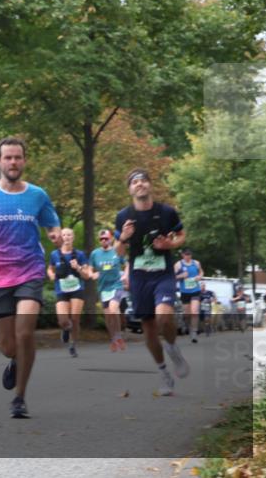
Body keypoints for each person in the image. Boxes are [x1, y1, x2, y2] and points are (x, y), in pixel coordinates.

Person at [0, 137, 62, 419]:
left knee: (25, 332)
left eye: (18, 157)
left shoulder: (38, 195)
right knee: (7, 346)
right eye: (8, 158)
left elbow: (53, 223)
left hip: (29, 271)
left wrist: (54, 233)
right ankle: (14, 360)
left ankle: (20, 397)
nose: (13, 162)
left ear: (24, 161)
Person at [114, 168, 189, 397]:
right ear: (130, 189)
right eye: (135, 182)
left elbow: (181, 235)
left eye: (144, 180)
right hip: (139, 277)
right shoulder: (123, 216)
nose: (140, 184)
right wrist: (124, 238)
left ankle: (173, 349)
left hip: (162, 274)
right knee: (148, 332)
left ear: (150, 185)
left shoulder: (166, 212)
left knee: (164, 316)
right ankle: (164, 372)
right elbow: (118, 252)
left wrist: (171, 245)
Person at [47, 228, 89, 358]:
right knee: (63, 320)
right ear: (61, 237)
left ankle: (73, 345)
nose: (66, 237)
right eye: (64, 235)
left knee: (75, 318)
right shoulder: (54, 254)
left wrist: (78, 267)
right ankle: (65, 329)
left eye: (69, 235)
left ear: (73, 237)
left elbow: (86, 275)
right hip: (61, 290)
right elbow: (50, 269)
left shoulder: (80, 255)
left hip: (77, 289)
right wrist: (51, 275)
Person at [89, 229, 128, 351]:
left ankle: (118, 335)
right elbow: (90, 268)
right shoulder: (95, 254)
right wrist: (92, 274)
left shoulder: (117, 251)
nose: (104, 240)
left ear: (111, 239)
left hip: (116, 285)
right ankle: (113, 339)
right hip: (103, 288)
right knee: (108, 317)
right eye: (101, 239)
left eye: (106, 238)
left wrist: (126, 275)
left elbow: (127, 264)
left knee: (113, 310)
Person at [174, 248, 204, 342]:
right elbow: (172, 277)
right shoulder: (178, 264)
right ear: (182, 255)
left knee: (194, 311)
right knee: (187, 314)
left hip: (195, 290)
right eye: (186, 255)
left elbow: (201, 272)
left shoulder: (196, 263)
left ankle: (194, 332)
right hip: (185, 292)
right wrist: (181, 276)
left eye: (189, 254)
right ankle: (188, 327)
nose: (188, 256)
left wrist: (199, 276)